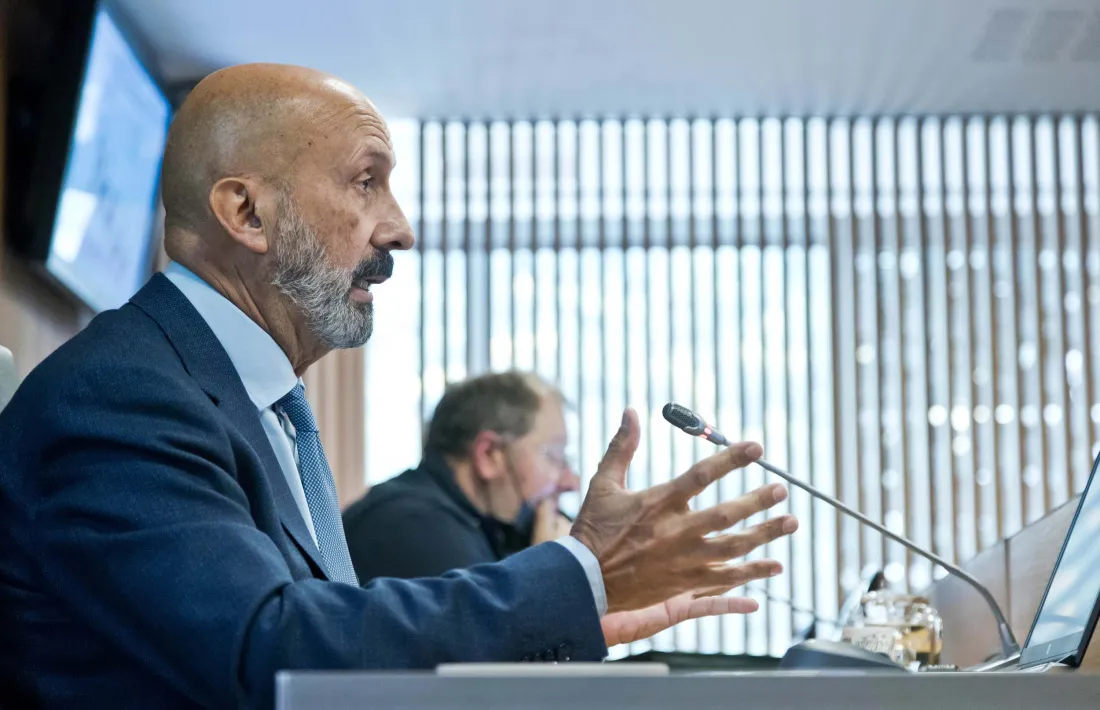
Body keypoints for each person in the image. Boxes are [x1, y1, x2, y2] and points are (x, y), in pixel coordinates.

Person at [0, 63, 798, 710]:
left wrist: (578, 607)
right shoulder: (119, 399)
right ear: (246, 211)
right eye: (364, 181)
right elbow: (273, 654)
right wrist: (580, 572)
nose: (401, 228)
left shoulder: (254, 400)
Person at [344, 371, 580, 582]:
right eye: (554, 455)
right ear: (489, 454)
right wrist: (546, 570)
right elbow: (497, 628)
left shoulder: (492, 525)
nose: (571, 481)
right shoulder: (417, 527)